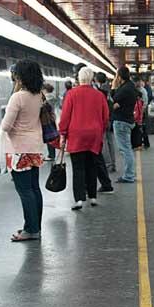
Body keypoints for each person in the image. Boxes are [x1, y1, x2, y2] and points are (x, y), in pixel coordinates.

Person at [0, 60, 47, 242]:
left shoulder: (18, 97)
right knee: (34, 189)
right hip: (35, 147)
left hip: (19, 149)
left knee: (24, 190)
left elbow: (6, 126)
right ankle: (34, 227)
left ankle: (31, 230)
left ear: (21, 76)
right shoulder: (39, 95)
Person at [59, 67, 111, 210]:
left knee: (78, 168)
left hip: (76, 136)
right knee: (92, 166)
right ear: (92, 79)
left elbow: (65, 117)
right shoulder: (99, 95)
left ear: (78, 79)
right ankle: (93, 197)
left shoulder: (71, 94)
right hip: (94, 135)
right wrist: (100, 128)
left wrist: (63, 133)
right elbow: (106, 116)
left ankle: (79, 200)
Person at [110, 66, 140, 183]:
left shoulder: (124, 88)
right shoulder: (131, 86)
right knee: (127, 148)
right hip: (128, 119)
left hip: (121, 121)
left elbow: (114, 99)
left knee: (125, 149)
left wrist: (113, 87)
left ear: (119, 76)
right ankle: (130, 174)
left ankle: (129, 175)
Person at [95, 72, 117, 176]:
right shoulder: (109, 89)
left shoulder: (100, 91)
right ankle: (112, 163)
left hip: (104, 119)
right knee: (110, 141)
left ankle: (108, 164)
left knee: (104, 142)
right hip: (110, 117)